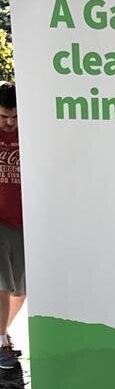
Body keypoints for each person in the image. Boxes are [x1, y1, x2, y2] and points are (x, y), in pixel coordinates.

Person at [0, 82, 24, 370]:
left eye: (14, 118)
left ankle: (3, 331)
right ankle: (2, 341)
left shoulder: (29, 133)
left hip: (25, 219)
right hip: (0, 220)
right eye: (4, 117)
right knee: (3, 285)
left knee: (20, 291)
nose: (8, 123)